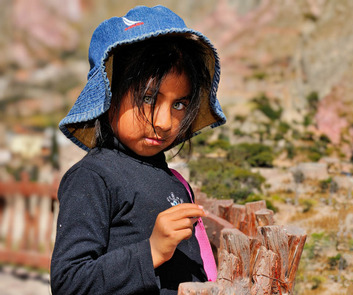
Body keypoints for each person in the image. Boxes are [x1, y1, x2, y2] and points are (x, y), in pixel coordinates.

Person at [50, 5, 226, 295]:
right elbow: (69, 281)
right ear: (108, 95)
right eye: (148, 98)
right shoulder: (92, 178)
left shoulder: (174, 181)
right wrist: (151, 251)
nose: (164, 122)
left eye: (179, 104)